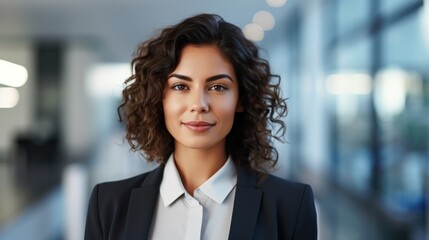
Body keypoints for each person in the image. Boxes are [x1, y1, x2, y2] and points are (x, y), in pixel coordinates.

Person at [84, 13, 317, 240]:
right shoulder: (108, 204)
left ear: (242, 99)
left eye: (217, 87)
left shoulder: (290, 205)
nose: (198, 105)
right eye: (180, 87)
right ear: (159, 98)